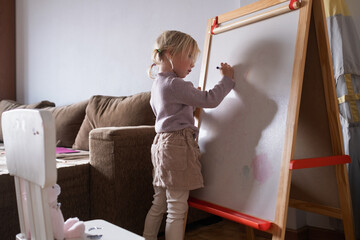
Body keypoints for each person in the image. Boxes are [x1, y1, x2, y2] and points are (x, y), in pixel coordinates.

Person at [143, 30, 235, 240]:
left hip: (160, 146)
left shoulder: (157, 85)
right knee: (176, 208)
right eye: (189, 56)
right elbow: (210, 99)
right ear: (169, 54)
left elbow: (168, 114)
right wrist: (227, 81)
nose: (192, 64)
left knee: (159, 203)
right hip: (176, 145)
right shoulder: (176, 84)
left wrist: (189, 100)